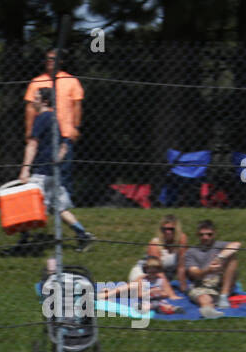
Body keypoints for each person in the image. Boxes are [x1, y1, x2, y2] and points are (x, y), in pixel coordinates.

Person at [17, 88, 94, 251]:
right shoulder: (54, 119)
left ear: (45, 101)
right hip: (54, 171)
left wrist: (25, 169)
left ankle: (24, 242)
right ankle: (82, 235)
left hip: (41, 171)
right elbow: (62, 147)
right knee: (59, 207)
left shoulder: (41, 118)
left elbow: (32, 144)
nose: (33, 101)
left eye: (36, 98)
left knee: (29, 206)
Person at [24, 48, 82, 193]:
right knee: (43, 170)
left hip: (65, 132)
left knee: (64, 170)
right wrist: (29, 130)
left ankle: (64, 202)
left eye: (53, 59)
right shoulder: (36, 82)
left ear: (60, 61)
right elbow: (30, 109)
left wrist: (76, 127)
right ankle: (44, 201)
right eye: (47, 59)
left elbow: (77, 106)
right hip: (44, 135)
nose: (49, 62)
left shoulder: (71, 81)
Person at [183, 220, 242, 319]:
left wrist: (219, 258)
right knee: (203, 297)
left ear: (214, 234)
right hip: (202, 282)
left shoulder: (220, 245)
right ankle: (208, 310)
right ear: (197, 235)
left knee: (232, 257)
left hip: (221, 281)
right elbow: (194, 273)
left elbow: (236, 245)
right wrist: (208, 270)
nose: (205, 237)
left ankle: (223, 295)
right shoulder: (191, 252)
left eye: (209, 234)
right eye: (202, 235)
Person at [127, 214, 188, 286]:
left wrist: (183, 287)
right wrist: (170, 292)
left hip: (160, 279)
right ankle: (114, 292)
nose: (167, 232)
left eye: (171, 229)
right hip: (145, 274)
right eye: (164, 229)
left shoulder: (182, 239)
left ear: (177, 230)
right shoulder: (155, 243)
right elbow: (156, 271)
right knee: (149, 292)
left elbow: (181, 266)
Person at [100, 256, 176, 305]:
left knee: (126, 294)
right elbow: (140, 295)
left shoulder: (160, 279)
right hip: (138, 293)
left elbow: (166, 293)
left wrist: (159, 293)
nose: (152, 275)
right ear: (146, 271)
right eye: (150, 272)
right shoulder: (143, 279)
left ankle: (109, 292)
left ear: (158, 271)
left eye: (154, 272)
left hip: (144, 298)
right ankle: (106, 294)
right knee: (130, 287)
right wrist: (150, 292)